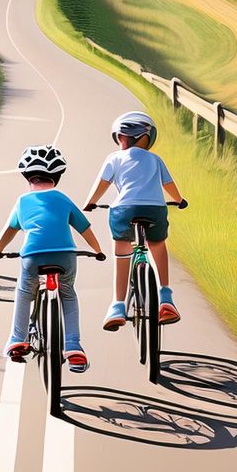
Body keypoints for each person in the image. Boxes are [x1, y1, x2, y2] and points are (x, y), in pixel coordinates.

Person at [0, 145, 104, 372]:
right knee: (68, 294)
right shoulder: (62, 198)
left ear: (27, 177)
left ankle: (17, 339)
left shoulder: (22, 201)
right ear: (58, 176)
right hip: (65, 256)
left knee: (24, 293)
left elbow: (9, 230)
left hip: (32, 257)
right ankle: (73, 345)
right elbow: (84, 227)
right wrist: (97, 249)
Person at [83, 110, 187, 330]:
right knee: (157, 244)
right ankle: (166, 297)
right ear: (147, 137)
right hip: (155, 210)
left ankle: (118, 305)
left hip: (124, 210)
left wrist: (90, 202)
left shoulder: (114, 158)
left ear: (122, 137)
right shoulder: (155, 159)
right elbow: (169, 186)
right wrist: (179, 200)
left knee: (122, 251)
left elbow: (102, 184)